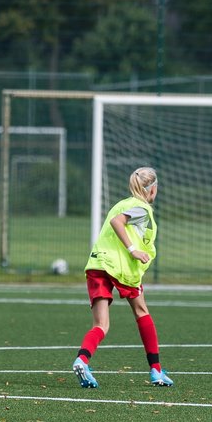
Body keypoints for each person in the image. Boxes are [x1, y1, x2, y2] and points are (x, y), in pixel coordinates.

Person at [72, 166, 172, 388]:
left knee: (101, 324)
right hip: (121, 269)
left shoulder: (121, 203)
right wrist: (132, 250)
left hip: (98, 264)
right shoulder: (141, 209)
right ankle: (156, 371)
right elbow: (118, 222)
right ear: (152, 189)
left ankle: (82, 359)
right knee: (141, 312)